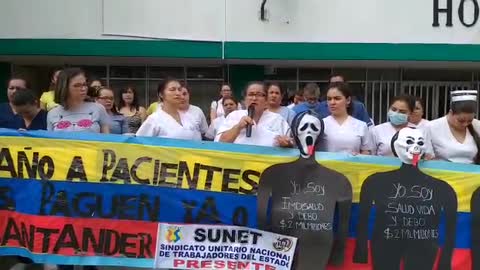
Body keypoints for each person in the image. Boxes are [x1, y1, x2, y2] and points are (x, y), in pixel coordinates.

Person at [215, 81, 292, 147]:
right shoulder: (234, 116)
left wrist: (286, 144)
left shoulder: (278, 119)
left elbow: (291, 145)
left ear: (266, 100)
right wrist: (238, 127)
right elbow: (220, 144)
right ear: (245, 99)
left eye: (259, 95)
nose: (254, 98)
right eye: (251, 94)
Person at [47, 68, 110, 133]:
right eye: (77, 85)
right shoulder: (52, 113)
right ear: (64, 88)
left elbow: (106, 139)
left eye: (84, 84)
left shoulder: (98, 109)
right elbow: (49, 141)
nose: (83, 88)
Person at [136, 79, 203, 140]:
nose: (178, 93)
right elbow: (140, 143)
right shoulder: (154, 119)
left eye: (179, 90)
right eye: (172, 89)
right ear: (161, 94)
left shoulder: (189, 117)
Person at [427, 90, 480, 164]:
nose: (465, 124)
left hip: (471, 173)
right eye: (461, 121)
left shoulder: (477, 125)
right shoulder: (432, 127)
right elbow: (427, 156)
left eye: (469, 121)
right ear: (451, 113)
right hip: (442, 172)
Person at [322, 82, 372, 155]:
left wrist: (359, 157)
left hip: (353, 165)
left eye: (337, 98)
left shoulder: (361, 125)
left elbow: (367, 151)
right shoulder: (321, 125)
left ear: (348, 100)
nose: (332, 102)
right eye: (329, 99)